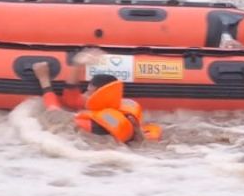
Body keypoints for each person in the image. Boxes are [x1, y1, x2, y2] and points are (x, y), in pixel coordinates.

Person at [31, 54, 162, 144]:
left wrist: (44, 79)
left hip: (94, 144)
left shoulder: (93, 123)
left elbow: (53, 112)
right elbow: (72, 99)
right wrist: (77, 66)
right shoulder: (125, 111)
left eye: (87, 91)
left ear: (95, 92)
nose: (83, 94)